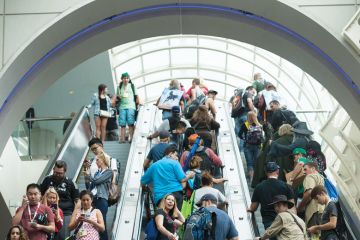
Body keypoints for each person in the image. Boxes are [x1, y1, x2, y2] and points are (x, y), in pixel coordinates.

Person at [141, 145, 195, 209]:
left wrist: (144, 188)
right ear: (170, 154)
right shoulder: (174, 163)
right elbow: (182, 179)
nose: (177, 158)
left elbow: (143, 181)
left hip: (161, 197)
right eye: (176, 155)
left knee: (163, 217)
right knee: (175, 217)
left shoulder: (154, 165)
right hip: (176, 194)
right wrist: (190, 176)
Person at [248, 162, 295, 232]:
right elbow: (292, 206)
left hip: (268, 221)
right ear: (277, 171)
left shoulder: (259, 187)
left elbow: (253, 207)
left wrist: (250, 209)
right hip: (284, 220)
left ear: (266, 172)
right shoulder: (286, 186)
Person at [40, 160, 79, 240]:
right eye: (55, 172)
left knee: (63, 237)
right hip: (48, 213)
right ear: (53, 169)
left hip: (65, 214)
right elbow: (40, 196)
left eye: (60, 173)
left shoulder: (70, 182)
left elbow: (77, 201)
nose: (57, 175)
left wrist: (74, 216)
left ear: (65, 172)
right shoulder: (47, 180)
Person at [84, 147, 113, 240]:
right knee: (93, 221)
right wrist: (86, 177)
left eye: (98, 160)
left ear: (103, 160)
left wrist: (88, 176)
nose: (96, 162)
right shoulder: (97, 172)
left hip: (102, 199)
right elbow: (90, 186)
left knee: (101, 222)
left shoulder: (109, 172)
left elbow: (97, 181)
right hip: (94, 199)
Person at [297, 162, 325, 229]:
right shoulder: (321, 178)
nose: (304, 172)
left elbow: (309, 193)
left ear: (313, 169)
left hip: (314, 212)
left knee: (314, 237)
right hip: (323, 210)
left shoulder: (310, 176)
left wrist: (299, 208)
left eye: (305, 169)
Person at [239, 111, 264, 181]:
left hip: (248, 146)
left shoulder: (245, 125)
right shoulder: (259, 125)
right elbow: (262, 137)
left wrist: (244, 139)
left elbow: (239, 134)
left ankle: (251, 178)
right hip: (258, 146)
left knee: (249, 162)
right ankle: (257, 178)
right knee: (256, 162)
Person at [116, 72, 139, 143]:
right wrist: (118, 97)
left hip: (131, 106)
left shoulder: (132, 85)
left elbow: (137, 96)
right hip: (122, 107)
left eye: (127, 78)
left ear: (129, 79)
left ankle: (131, 138)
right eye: (124, 78)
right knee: (122, 124)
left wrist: (138, 104)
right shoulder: (119, 86)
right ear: (122, 79)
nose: (126, 79)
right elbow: (117, 96)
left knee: (130, 123)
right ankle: (122, 139)